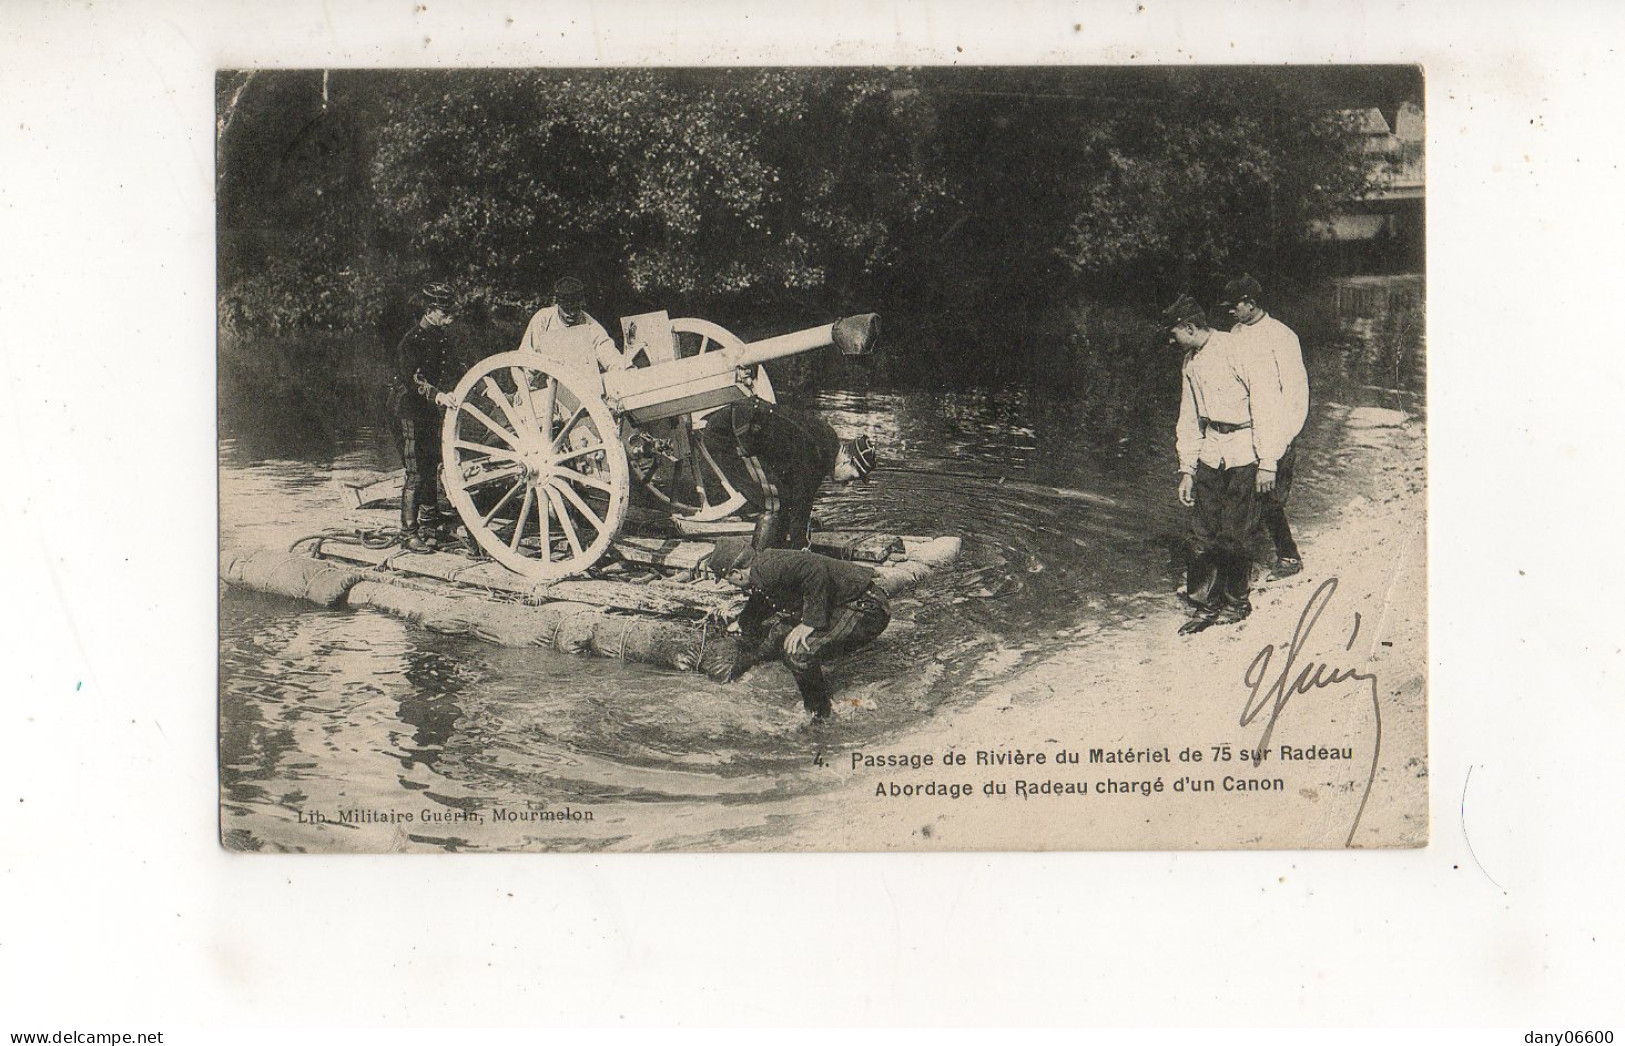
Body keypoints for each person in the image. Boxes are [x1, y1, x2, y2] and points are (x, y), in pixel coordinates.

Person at [1165, 293, 1282, 634]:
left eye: (1174, 333)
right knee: (1202, 532)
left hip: (1245, 449)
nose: (1171, 340)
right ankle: (1205, 604)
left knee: (1237, 531)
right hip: (1210, 449)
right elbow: (1188, 418)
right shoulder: (1190, 361)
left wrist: (1269, 462)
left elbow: (1266, 406)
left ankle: (1236, 601)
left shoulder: (1238, 349)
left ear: (1189, 326)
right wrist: (1186, 469)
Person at [704, 536, 891, 719]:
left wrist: (809, 623)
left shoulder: (768, 567)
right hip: (846, 603)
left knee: (798, 653)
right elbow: (763, 598)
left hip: (866, 608)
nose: (732, 584)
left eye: (729, 579)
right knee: (779, 637)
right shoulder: (762, 568)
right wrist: (743, 623)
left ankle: (820, 715)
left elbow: (814, 569)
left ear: (737, 573)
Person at [1218, 274, 1310, 579]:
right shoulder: (1236, 333)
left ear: (1251, 304)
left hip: (1277, 429)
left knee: (1270, 498)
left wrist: (1279, 443)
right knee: (1242, 496)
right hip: (1247, 430)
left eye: (1235, 306)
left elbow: (1296, 395)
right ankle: (1242, 565)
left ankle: (1288, 556)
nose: (1231, 311)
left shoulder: (1283, 337)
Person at [700, 397, 877, 550]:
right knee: (772, 502)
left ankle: (776, 552)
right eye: (853, 476)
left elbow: (798, 499)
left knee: (781, 497)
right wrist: (801, 549)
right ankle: (760, 566)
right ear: (846, 460)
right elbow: (802, 504)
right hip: (732, 434)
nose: (848, 483)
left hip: (740, 425)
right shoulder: (818, 457)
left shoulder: (827, 441)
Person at [388, 282, 459, 551]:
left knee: (432, 462)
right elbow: (413, 378)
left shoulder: (441, 336)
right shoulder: (411, 341)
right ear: (430, 310)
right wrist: (437, 395)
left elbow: (455, 365)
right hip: (407, 410)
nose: (450, 317)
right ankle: (409, 532)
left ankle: (431, 521)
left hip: (428, 410)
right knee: (416, 469)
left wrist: (483, 387)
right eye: (445, 311)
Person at [516, 275, 630, 379]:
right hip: (550, 387)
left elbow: (606, 350)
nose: (571, 314)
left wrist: (623, 370)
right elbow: (527, 357)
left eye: (575, 309)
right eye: (567, 309)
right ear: (558, 305)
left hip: (585, 382)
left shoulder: (589, 324)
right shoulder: (543, 320)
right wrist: (525, 389)